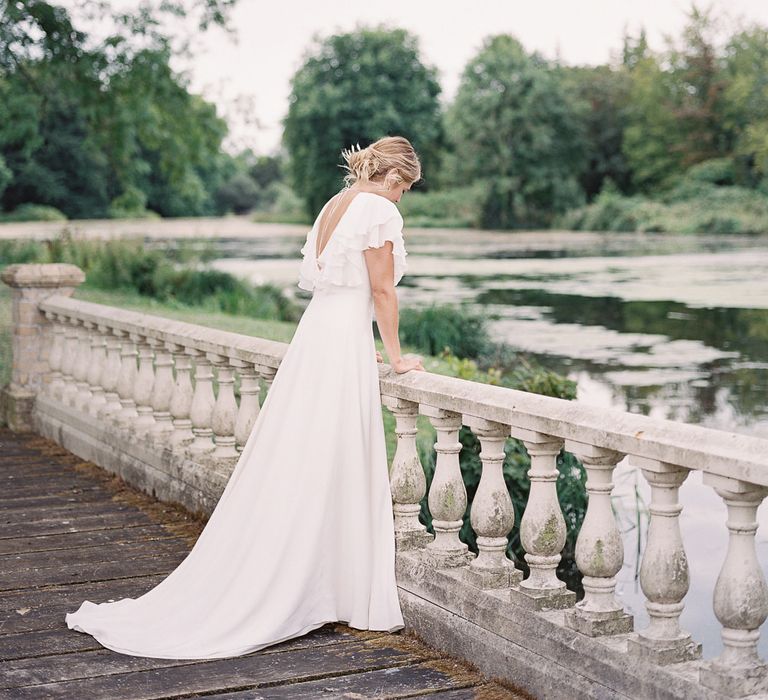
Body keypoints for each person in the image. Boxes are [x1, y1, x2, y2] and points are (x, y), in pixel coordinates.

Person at [64, 135, 426, 659]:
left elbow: (335, 286)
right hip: (338, 339)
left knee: (305, 454)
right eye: (405, 191)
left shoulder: (335, 204)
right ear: (395, 178)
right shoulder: (377, 209)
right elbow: (381, 289)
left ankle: (323, 579)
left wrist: (359, 345)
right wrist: (395, 357)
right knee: (332, 453)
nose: (402, 201)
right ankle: (326, 585)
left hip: (322, 336)